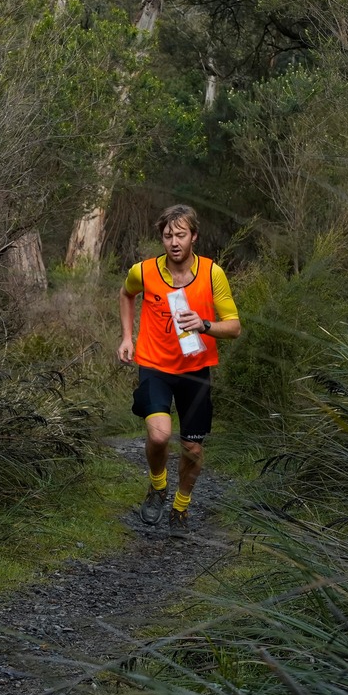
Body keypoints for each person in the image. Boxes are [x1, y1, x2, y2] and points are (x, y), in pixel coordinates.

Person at [117, 204, 240, 535]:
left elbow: (234, 327)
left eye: (181, 235)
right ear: (162, 237)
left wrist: (204, 324)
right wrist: (128, 337)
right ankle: (158, 486)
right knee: (158, 435)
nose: (173, 242)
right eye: (168, 235)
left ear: (194, 237)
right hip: (154, 364)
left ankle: (181, 507)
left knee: (193, 448)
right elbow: (126, 295)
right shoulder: (143, 271)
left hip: (195, 369)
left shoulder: (212, 273)